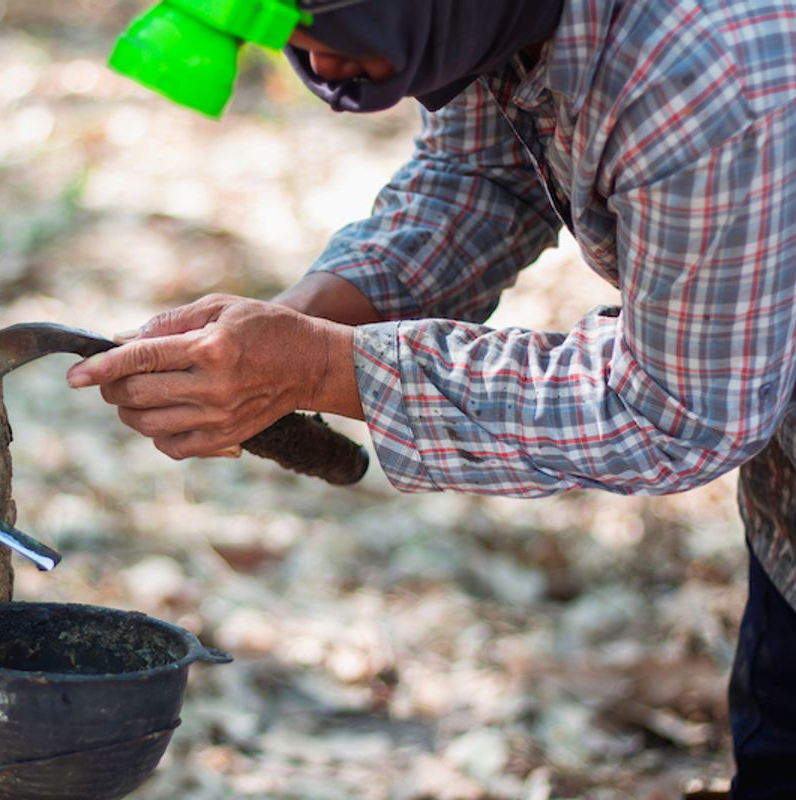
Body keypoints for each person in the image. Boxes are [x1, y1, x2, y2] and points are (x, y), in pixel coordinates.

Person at [66, 1, 796, 796]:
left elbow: (673, 412)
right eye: (281, 38)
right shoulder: (493, 18)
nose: (315, 65)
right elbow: (483, 177)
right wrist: (284, 333)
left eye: (318, 27)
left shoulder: (711, 69)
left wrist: (324, 369)